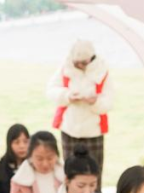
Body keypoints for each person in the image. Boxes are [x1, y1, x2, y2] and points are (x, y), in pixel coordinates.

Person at [47, 39, 112, 184]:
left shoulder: (102, 71)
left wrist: (94, 101)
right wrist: (68, 96)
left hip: (93, 131)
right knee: (71, 173)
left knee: (94, 173)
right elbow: (51, 90)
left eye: (84, 63)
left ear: (91, 59)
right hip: (69, 129)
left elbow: (109, 102)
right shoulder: (65, 68)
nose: (80, 66)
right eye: (77, 63)